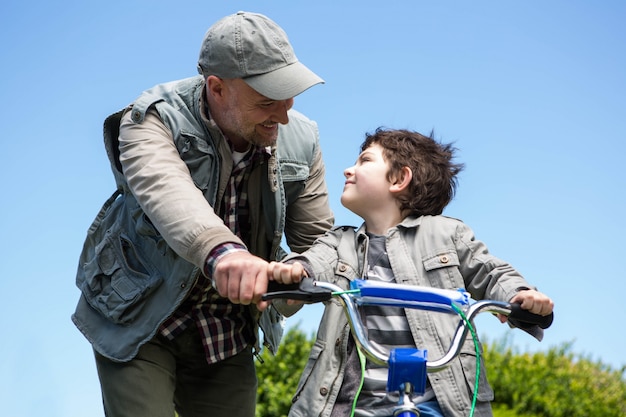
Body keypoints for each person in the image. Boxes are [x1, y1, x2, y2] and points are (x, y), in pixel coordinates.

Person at [71, 11, 334, 417]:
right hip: (141, 316)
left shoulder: (302, 139)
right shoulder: (149, 120)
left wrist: (301, 269)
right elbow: (168, 193)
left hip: (226, 330)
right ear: (217, 88)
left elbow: (319, 240)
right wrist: (224, 253)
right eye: (267, 100)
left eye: (289, 95)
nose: (282, 115)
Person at [269, 128, 554, 417]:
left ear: (399, 179)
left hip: (439, 402)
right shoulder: (339, 242)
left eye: (364, 161)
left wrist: (521, 295)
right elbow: (314, 261)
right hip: (352, 404)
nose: (348, 170)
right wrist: (295, 273)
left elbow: (491, 271)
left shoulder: (446, 234)